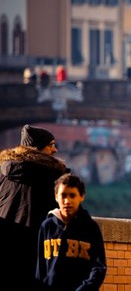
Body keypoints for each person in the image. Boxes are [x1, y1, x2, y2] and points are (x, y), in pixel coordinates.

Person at [0, 124, 68, 290]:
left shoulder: (3, 172)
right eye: (51, 145)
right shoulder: (52, 175)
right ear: (38, 148)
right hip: (36, 250)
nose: (55, 150)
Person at [35, 173, 107, 290]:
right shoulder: (47, 226)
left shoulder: (90, 227)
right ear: (56, 197)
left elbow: (99, 267)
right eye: (63, 195)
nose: (67, 201)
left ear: (82, 196)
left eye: (72, 196)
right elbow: (40, 267)